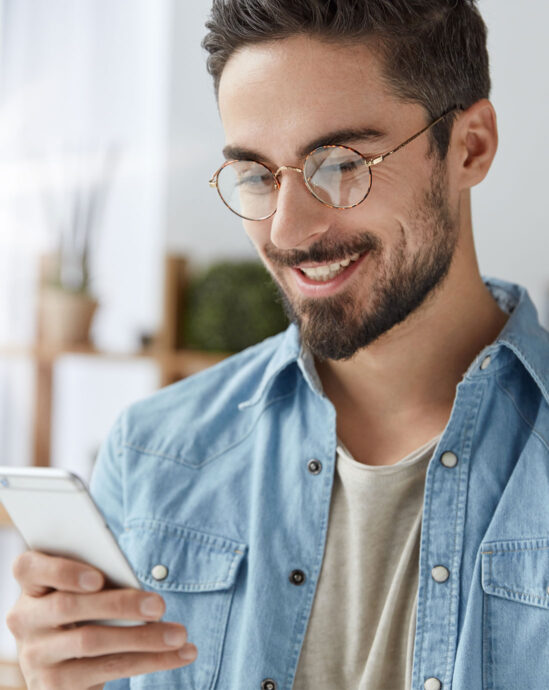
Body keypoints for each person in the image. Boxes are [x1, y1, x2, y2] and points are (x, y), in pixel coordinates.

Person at [7, 1, 549, 688]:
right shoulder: (153, 456)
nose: (288, 230)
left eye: (340, 163)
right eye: (257, 175)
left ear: (469, 146)